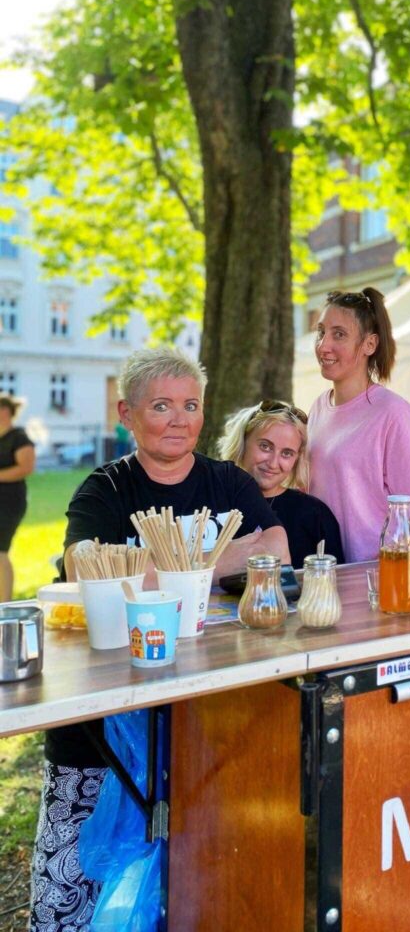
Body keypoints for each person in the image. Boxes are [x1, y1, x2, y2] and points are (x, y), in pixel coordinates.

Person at [29, 347, 289, 932]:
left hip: (209, 712)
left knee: (201, 881)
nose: (179, 420)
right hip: (102, 724)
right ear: (127, 414)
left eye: (191, 406)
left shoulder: (228, 481)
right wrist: (220, 560)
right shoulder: (104, 490)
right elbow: (85, 569)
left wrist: (151, 570)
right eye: (162, 406)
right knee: (71, 890)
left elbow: (275, 551)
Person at [308, 287, 410, 563]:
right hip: (326, 571)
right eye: (321, 332)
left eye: (339, 334)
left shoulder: (393, 413)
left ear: (369, 344)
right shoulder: (317, 408)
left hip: (376, 574)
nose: (323, 345)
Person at [218, 400, 344, 569]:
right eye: (265, 446)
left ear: (297, 459)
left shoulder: (315, 515)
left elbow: (335, 580)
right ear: (242, 441)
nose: (273, 463)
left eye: (286, 453)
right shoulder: (212, 501)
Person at [0, 394, 35, 602]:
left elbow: (26, 467)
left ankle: (4, 604)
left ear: (5, 411)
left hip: (9, 503)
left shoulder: (19, 438)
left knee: (0, 550)